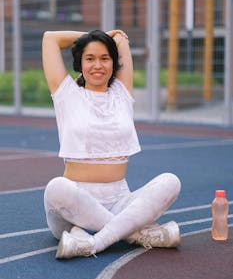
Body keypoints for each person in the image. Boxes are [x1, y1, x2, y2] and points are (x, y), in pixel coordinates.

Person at [42, 29, 181, 259]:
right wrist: (96, 35)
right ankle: (136, 235)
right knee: (56, 187)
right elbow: (50, 38)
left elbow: (121, 40)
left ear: (113, 63)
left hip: (119, 201)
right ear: (80, 64)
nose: (98, 65)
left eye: (104, 58)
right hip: (73, 205)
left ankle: (93, 243)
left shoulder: (122, 93)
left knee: (171, 182)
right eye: (90, 58)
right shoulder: (66, 93)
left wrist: (108, 39)